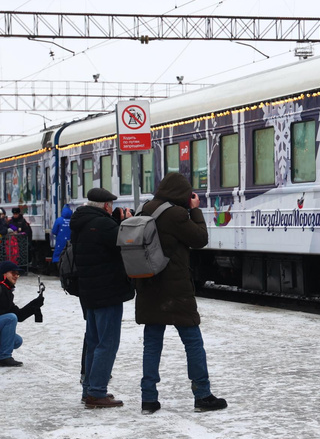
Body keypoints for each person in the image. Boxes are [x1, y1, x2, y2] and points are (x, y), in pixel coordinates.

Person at [135, 172, 227, 415]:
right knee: (193, 342)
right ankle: (203, 395)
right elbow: (200, 238)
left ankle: (148, 399)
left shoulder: (143, 209)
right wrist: (195, 210)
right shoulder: (175, 214)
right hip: (176, 291)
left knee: (152, 345)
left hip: (148, 288)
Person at [70, 187, 134, 408]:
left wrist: (114, 222)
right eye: (112, 205)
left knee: (93, 342)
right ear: (106, 206)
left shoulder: (79, 222)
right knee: (107, 343)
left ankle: (89, 388)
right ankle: (97, 392)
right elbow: (126, 245)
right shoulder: (105, 225)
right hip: (108, 291)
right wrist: (126, 223)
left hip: (88, 292)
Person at [0, 261, 44, 367]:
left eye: (17, 274)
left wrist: (34, 304)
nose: (16, 276)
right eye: (13, 273)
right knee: (10, 318)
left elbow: (19, 316)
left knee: (17, 341)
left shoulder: (7, 291)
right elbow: (13, 317)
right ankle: (4, 357)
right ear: (4, 274)